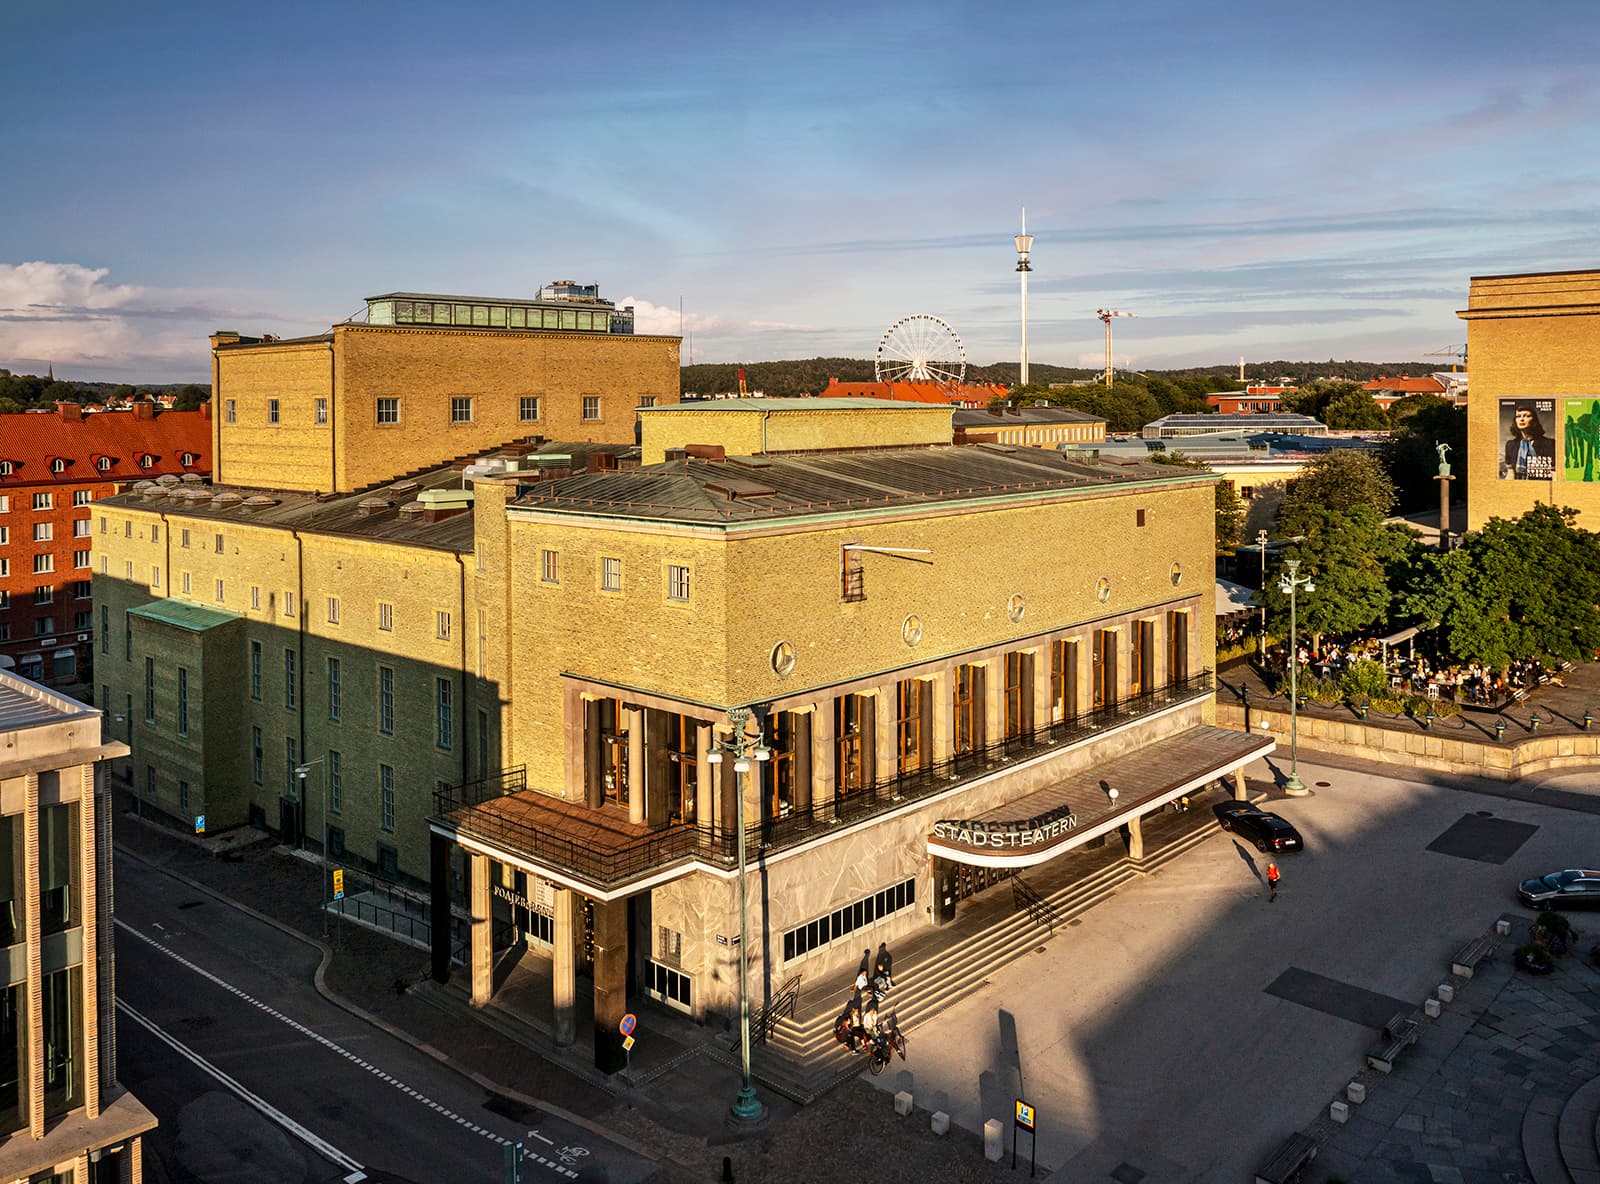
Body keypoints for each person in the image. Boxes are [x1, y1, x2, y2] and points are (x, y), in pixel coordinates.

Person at [1503, 401, 1556, 480]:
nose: (1521, 419)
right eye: (1518, 416)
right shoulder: (1510, 445)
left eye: (1526, 416)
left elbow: (1554, 473)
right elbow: (1511, 474)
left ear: (1534, 420)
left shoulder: (1549, 443)